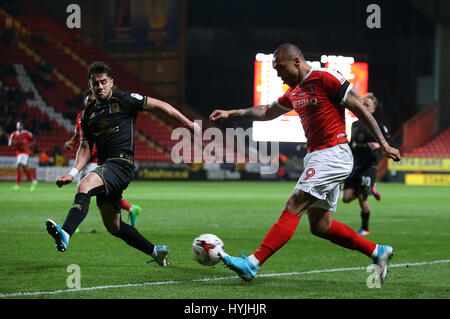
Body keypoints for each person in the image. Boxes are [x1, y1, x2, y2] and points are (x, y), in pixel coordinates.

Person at [209, 43, 401, 284]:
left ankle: (252, 263)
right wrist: (232, 113)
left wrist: (383, 143)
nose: (278, 74)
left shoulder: (325, 78)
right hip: (319, 155)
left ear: (296, 61)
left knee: (294, 203)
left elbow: (359, 107)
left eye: (280, 68)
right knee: (320, 226)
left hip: (333, 153)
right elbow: (267, 111)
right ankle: (377, 251)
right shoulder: (294, 91)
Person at [46, 61, 200, 267]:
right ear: (90, 85)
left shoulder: (125, 99)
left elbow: (161, 105)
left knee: (84, 186)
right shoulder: (88, 114)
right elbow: (84, 148)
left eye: (103, 82)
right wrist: (72, 172)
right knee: (114, 226)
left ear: (111, 82)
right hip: (106, 168)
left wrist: (188, 124)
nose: (99, 87)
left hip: (121, 163)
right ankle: (156, 252)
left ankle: (65, 233)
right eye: (95, 84)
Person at [64, 90, 142, 227]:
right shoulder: (81, 117)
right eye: (88, 101)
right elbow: (78, 134)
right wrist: (72, 142)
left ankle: (72, 225)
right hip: (87, 159)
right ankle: (130, 208)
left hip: (97, 159)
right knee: (97, 191)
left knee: (83, 188)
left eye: (92, 100)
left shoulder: (101, 115)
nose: (90, 103)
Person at [342, 93, 392, 236]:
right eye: (362, 104)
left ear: (373, 109)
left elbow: (390, 143)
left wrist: (379, 145)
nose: (363, 107)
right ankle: (370, 188)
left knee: (362, 197)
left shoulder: (378, 126)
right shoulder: (355, 125)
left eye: (367, 105)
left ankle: (365, 228)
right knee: (346, 198)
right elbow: (352, 145)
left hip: (369, 165)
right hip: (355, 166)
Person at [8, 121, 39, 191]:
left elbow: (34, 141)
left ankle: (18, 185)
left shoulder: (27, 133)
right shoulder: (13, 134)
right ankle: (33, 181)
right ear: (17, 127)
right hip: (18, 152)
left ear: (23, 126)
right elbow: (9, 144)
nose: (20, 127)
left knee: (19, 165)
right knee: (23, 167)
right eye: (18, 126)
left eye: (21, 125)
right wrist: (13, 143)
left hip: (25, 151)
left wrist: (26, 147)